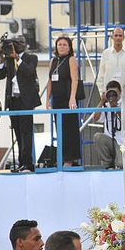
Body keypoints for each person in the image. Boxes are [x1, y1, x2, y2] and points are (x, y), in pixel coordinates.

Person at [0, 35, 40, 173]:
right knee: (18, 133)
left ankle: (28, 164)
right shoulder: (8, 58)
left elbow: (29, 72)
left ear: (24, 45)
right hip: (12, 99)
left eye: (19, 43)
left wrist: (17, 58)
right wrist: (1, 57)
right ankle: (21, 163)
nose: (16, 46)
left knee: (26, 133)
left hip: (25, 100)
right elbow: (0, 75)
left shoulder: (31, 58)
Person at [46, 36, 81, 166]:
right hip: (57, 99)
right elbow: (49, 80)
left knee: (69, 128)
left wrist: (72, 98)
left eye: (64, 44)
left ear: (69, 47)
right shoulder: (53, 61)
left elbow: (74, 79)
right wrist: (48, 99)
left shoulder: (71, 59)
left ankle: (70, 158)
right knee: (59, 128)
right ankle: (62, 156)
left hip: (68, 98)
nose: (61, 46)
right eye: (59, 44)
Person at [91, 80, 122, 169]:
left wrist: (115, 107)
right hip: (109, 140)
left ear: (120, 92)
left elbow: (123, 119)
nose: (112, 96)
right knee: (98, 136)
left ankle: (117, 161)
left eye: (115, 93)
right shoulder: (105, 105)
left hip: (122, 142)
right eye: (110, 93)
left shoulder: (124, 104)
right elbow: (96, 118)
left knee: (121, 164)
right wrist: (101, 101)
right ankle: (107, 164)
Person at [95, 27, 125, 94]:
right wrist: (102, 93)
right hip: (110, 95)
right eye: (116, 35)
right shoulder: (106, 53)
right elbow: (101, 76)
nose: (118, 38)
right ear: (112, 37)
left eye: (120, 36)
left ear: (124, 37)